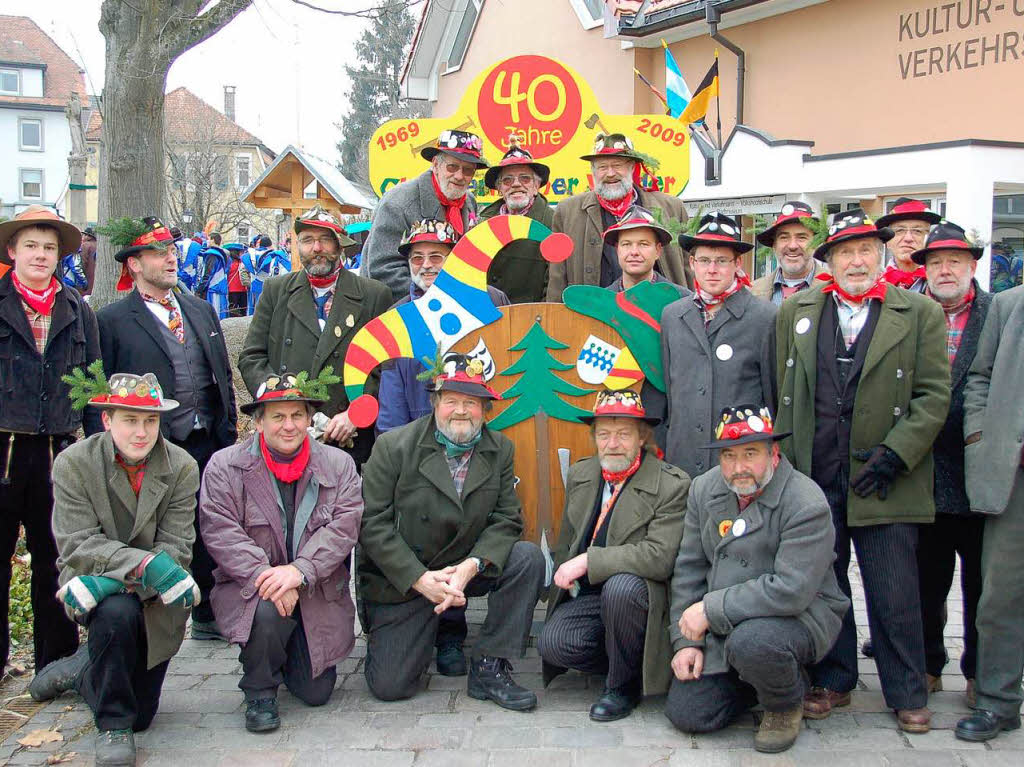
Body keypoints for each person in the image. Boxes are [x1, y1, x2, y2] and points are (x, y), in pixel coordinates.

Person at [774, 209, 950, 733]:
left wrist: (898, 452)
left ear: (881, 255)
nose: (857, 260)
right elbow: (785, 393)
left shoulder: (918, 312)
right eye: (845, 251)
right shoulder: (796, 311)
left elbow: (934, 395)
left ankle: (906, 689)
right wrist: (789, 465)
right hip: (817, 472)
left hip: (886, 474)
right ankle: (835, 678)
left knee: (894, 588)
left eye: (866, 250)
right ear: (828, 260)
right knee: (827, 585)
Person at [31, 370, 199, 767]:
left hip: (153, 597)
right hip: (104, 586)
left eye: (150, 420)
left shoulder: (182, 467)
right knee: (115, 613)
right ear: (107, 421)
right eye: (130, 420)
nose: (141, 432)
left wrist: (122, 579)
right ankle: (112, 726)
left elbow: (178, 546)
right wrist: (145, 564)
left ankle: (82, 671)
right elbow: (79, 544)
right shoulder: (74, 463)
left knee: (144, 714)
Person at [358, 355, 545, 708]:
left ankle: (490, 663)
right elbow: (372, 524)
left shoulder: (500, 449)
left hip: (464, 567)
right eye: (452, 401)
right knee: (391, 686)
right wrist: (418, 578)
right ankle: (431, 631)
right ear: (435, 404)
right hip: (409, 574)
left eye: (471, 403)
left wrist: (472, 566)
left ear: (485, 409)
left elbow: (507, 519)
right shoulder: (393, 447)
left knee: (526, 558)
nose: (461, 411)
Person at [84, 216, 237, 641]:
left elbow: (219, 372)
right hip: (149, 447)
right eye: (158, 252)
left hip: (207, 440)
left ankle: (208, 610)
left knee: (211, 525)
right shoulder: (112, 320)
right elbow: (99, 392)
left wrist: (227, 426)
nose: (171, 258)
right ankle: (143, 616)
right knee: (153, 530)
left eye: (172, 250)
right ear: (133, 264)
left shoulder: (200, 309)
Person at [664, 405, 848, 753]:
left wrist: (709, 608)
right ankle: (758, 677)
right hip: (726, 623)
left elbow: (791, 590)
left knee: (753, 642)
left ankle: (784, 702)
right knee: (689, 713)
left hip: (796, 618)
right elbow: (688, 568)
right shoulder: (703, 490)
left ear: (773, 453)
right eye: (729, 456)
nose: (738, 468)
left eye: (750, 454)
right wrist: (685, 641)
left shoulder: (805, 502)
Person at [200, 371, 363, 733]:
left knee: (316, 692)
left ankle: (286, 652)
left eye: (297, 415)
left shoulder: (339, 465)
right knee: (268, 612)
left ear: (309, 419)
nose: (288, 426)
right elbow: (221, 530)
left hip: (313, 590)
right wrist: (268, 576)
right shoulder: (224, 467)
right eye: (277, 416)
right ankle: (259, 691)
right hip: (255, 591)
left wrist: (299, 571)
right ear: (259, 421)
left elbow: (344, 527)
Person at [538, 389, 689, 722]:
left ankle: (623, 685)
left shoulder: (672, 485)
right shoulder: (582, 474)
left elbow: (659, 556)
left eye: (623, 434)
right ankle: (629, 657)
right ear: (594, 437)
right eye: (604, 434)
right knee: (554, 645)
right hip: (592, 596)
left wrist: (590, 561)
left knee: (621, 587)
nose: (613, 443)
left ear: (642, 437)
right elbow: (568, 543)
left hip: (640, 600)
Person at [0, 205, 97, 678]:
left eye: (50, 248)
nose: (41, 255)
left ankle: (55, 664)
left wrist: (102, 452)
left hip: (59, 451)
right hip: (4, 448)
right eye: (32, 246)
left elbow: (95, 388)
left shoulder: (78, 310)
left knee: (57, 559)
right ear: (13, 251)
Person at [239, 205, 392, 470]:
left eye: (325, 239)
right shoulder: (276, 291)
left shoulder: (373, 295)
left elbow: (385, 366)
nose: (316, 248)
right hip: (288, 433)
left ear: (340, 245)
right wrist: (279, 402)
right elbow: (252, 357)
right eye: (308, 240)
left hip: (348, 436)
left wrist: (357, 413)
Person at [909, 221, 991, 706]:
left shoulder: (996, 313)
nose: (945, 270)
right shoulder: (911, 313)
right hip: (921, 473)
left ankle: (982, 672)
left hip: (980, 474)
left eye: (954, 261)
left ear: (972, 265)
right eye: (936, 262)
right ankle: (926, 665)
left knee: (985, 586)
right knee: (924, 582)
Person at [954, 282, 1024, 741]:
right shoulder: (1008, 304)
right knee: (1001, 592)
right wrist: (980, 434)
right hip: (1013, 474)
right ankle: (999, 700)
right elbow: (979, 376)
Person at [660, 211, 776, 479]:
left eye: (722, 261)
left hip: (738, 460)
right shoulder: (673, 316)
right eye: (704, 260)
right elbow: (669, 390)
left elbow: (773, 395)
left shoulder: (764, 317)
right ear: (691, 263)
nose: (712, 269)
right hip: (683, 460)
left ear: (737, 263)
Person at [377, 219, 510, 434]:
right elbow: (392, 403)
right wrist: (396, 450)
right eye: (417, 258)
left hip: (488, 433)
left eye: (436, 257)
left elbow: (509, 365)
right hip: (421, 441)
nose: (426, 265)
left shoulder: (491, 300)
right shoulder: (395, 319)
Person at [546, 132, 690, 301]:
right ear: (593, 171)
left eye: (617, 165)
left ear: (632, 168)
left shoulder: (672, 208)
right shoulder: (567, 212)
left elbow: (688, 268)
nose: (610, 173)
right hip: (595, 315)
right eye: (602, 167)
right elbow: (557, 276)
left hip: (661, 314)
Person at [361, 129, 489, 300]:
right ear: (435, 165)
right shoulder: (398, 202)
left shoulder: (469, 201)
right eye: (452, 167)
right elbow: (383, 270)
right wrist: (436, 300)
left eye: (467, 170)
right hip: (405, 308)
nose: (459, 176)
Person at [478, 139, 553, 303]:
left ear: (536, 186)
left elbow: (554, 283)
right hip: (488, 317)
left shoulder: (552, 222)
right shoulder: (481, 223)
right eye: (507, 180)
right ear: (499, 189)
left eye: (525, 178)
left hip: (530, 319)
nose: (516, 184)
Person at [750, 202, 828, 305]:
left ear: (816, 243)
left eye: (801, 237)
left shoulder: (835, 289)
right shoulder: (751, 292)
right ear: (774, 245)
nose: (792, 246)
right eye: (784, 238)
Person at [876, 198, 942, 292]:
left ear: (928, 239)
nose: (908, 238)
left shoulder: (942, 280)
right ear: (888, 242)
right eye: (900, 230)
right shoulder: (872, 283)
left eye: (917, 231)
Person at [198, 240, 230, 319]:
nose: (208, 241)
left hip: (214, 287)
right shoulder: (223, 254)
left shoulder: (213, 255)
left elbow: (208, 273)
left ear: (213, 240)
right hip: (219, 286)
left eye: (209, 239)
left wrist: (200, 289)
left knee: (215, 313)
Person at [225, 242, 248, 317]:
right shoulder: (242, 262)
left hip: (232, 290)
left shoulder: (228, 263)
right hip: (242, 290)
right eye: (241, 251)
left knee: (233, 312)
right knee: (243, 312)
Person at [80, 226, 97, 297]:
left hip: (87, 275)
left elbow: (82, 262)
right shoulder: (98, 244)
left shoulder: (85, 245)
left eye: (84, 235)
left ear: (88, 236)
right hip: (95, 276)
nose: (82, 237)